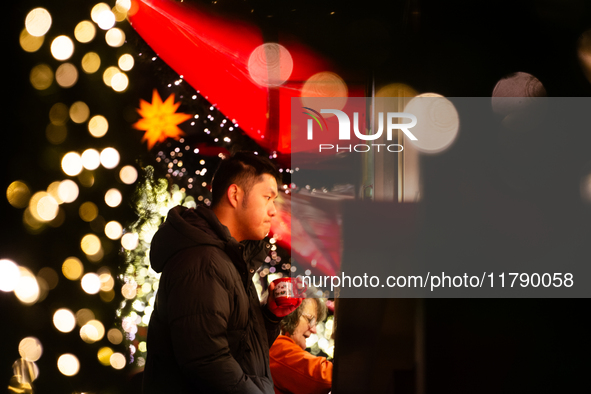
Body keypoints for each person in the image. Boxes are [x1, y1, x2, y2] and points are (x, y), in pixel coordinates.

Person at [142, 151, 301, 393]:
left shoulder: (230, 259)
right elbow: (207, 362)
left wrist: (269, 317)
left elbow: (242, 353)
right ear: (235, 195)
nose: (273, 211)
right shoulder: (202, 261)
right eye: (267, 198)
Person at [269, 297, 332, 394]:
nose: (314, 330)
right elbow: (325, 376)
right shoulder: (277, 346)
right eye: (310, 320)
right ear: (290, 313)